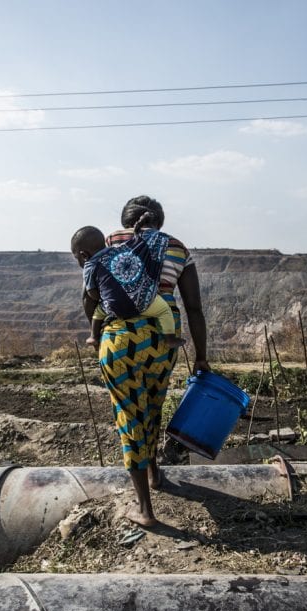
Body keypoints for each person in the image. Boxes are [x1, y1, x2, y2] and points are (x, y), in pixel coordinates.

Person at [71, 195, 209, 527]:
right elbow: (193, 308)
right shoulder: (178, 248)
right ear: (159, 221)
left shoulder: (113, 241)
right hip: (164, 341)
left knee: (129, 416)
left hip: (121, 341)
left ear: (125, 220)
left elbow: (92, 294)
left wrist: (97, 325)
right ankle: (155, 474)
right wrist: (201, 358)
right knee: (153, 405)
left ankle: (145, 509)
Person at [70, 225, 185, 350]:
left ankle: (94, 336)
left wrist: (103, 298)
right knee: (164, 310)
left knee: (97, 314)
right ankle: (170, 339)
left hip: (115, 308)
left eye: (77, 259)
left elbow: (92, 293)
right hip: (142, 303)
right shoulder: (118, 251)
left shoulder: (89, 267)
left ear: (84, 255)